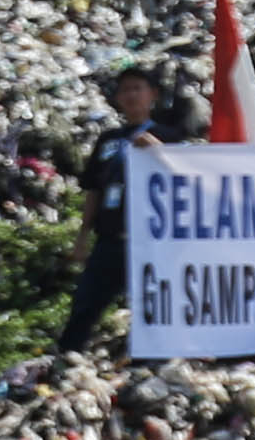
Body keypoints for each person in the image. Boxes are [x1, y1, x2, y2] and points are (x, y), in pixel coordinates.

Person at [51, 64, 174, 360]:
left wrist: (158, 151)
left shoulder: (168, 134)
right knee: (86, 302)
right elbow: (94, 188)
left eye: (138, 88)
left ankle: (151, 365)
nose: (131, 95)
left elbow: (186, 175)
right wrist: (82, 236)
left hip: (152, 242)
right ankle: (67, 360)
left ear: (153, 95)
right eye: (125, 90)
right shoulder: (108, 140)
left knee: (152, 306)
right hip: (110, 239)